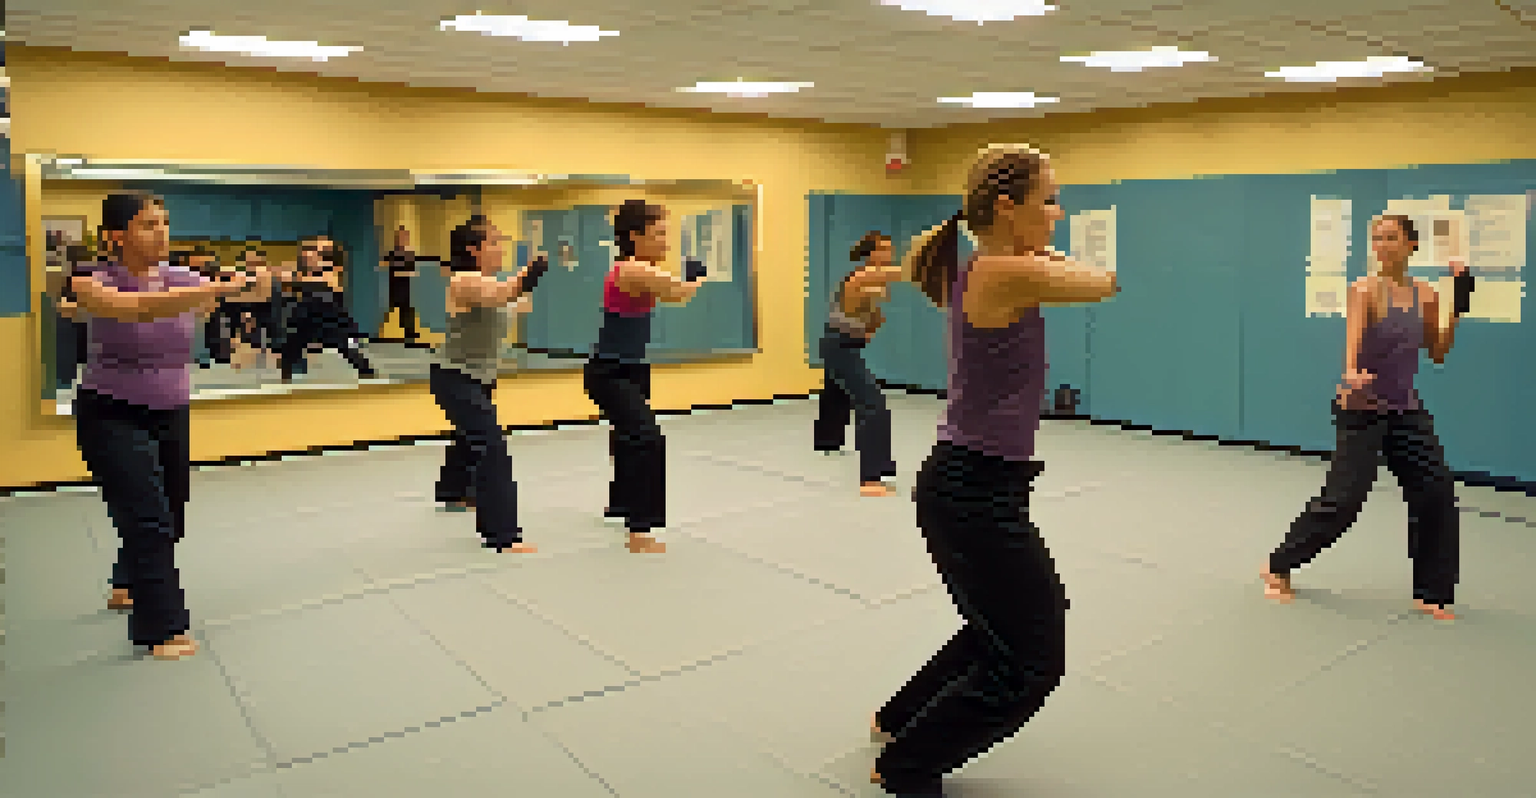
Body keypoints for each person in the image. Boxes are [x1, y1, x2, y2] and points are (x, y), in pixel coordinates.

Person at [868, 144, 1118, 797]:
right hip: (971, 491)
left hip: (977, 486)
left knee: (1009, 623)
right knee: (1034, 659)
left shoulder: (983, 265)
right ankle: (909, 766)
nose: (1059, 214)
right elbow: (1105, 283)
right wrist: (1045, 253)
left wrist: (1033, 245)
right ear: (1007, 208)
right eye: (1050, 201)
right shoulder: (1004, 272)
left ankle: (898, 722)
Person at [68, 191, 260, 661]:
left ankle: (127, 580)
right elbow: (134, 309)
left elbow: (208, 308)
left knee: (169, 515)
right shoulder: (91, 279)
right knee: (148, 516)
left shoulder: (183, 277)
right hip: (110, 411)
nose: (162, 232)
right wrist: (213, 289)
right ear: (116, 235)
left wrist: (259, 284)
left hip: (170, 411)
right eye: (148, 224)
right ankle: (161, 628)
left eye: (165, 222)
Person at [1262, 215, 1471, 622]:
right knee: (1343, 502)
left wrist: (1458, 302)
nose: (1382, 244)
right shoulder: (1364, 290)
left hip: (1406, 410)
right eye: (1376, 238)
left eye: (1391, 237)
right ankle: (1277, 565)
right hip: (1362, 409)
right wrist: (1351, 374)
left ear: (1411, 244)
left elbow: (1439, 351)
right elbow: (1352, 346)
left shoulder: (1426, 295)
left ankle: (1432, 592)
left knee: (1436, 492)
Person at [587, 199, 705, 555]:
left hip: (631, 368)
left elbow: (670, 295)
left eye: (666, 233)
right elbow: (679, 293)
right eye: (658, 234)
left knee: (626, 437)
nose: (665, 242)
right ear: (634, 236)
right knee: (647, 439)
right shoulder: (632, 270)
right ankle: (640, 530)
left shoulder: (640, 269)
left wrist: (687, 280)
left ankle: (621, 505)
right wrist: (696, 277)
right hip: (608, 372)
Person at [432, 215, 548, 553]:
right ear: (473, 249)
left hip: (480, 376)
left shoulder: (489, 281)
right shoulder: (464, 280)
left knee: (470, 438)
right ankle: (502, 535)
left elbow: (512, 300)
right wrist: (529, 274)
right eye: (494, 242)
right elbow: (503, 295)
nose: (501, 248)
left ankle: (453, 491)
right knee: (491, 445)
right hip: (453, 376)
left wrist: (520, 290)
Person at [814, 230, 903, 497]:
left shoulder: (872, 281)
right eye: (883, 249)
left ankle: (826, 441)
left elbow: (869, 312)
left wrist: (870, 324)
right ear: (870, 253)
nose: (889, 253)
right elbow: (905, 273)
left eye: (890, 248)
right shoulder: (863, 274)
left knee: (837, 392)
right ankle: (871, 479)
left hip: (842, 343)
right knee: (873, 404)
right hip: (838, 346)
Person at [278, 236, 377, 381]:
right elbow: (292, 289)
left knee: (347, 349)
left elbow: (316, 283)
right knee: (291, 347)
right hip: (309, 320)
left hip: (332, 321)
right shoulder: (304, 273)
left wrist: (291, 280)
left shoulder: (332, 272)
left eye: (316, 250)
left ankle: (368, 373)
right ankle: (285, 378)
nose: (311, 253)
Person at [382, 226, 422, 346]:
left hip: (407, 287)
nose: (403, 240)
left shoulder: (410, 254)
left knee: (407, 310)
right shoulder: (392, 254)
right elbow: (390, 268)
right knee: (392, 310)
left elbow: (412, 268)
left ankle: (409, 333)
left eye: (405, 237)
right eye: (400, 237)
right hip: (394, 287)